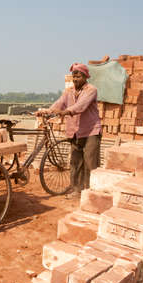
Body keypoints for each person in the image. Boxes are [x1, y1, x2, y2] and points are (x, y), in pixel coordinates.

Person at [38, 63, 101, 199]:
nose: (75, 79)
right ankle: (77, 190)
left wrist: (65, 112)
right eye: (74, 76)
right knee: (75, 163)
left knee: (90, 163)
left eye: (78, 76)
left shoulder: (91, 90)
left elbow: (81, 105)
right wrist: (47, 111)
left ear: (85, 77)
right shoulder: (69, 92)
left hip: (91, 131)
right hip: (75, 131)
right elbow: (59, 103)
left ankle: (90, 193)